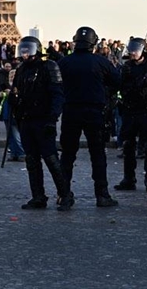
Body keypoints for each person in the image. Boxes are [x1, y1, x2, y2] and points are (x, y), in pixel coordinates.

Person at [57, 27, 121, 209]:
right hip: (95, 112)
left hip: (71, 111)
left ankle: (64, 196)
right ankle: (102, 195)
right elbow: (117, 81)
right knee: (98, 155)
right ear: (93, 44)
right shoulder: (100, 62)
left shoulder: (65, 62)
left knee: (67, 156)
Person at [10, 36, 68, 210]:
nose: (25, 53)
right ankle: (38, 196)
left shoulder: (49, 66)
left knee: (51, 159)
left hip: (43, 120)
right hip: (27, 120)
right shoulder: (21, 70)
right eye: (23, 49)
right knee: (31, 161)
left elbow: (57, 95)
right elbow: (17, 92)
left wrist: (52, 119)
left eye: (28, 49)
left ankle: (65, 194)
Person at [114, 37, 147, 193]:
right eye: (131, 50)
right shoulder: (126, 67)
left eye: (136, 50)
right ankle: (129, 179)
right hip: (130, 110)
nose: (133, 53)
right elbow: (119, 85)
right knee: (128, 146)